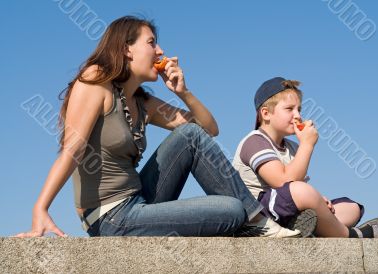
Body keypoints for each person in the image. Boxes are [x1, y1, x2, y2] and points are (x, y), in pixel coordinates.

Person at [16, 16, 302, 238]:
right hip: (111, 217)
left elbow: (208, 130)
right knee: (231, 209)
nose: (161, 50)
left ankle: (258, 221)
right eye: (151, 42)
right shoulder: (96, 81)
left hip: (140, 199)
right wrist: (40, 209)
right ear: (127, 49)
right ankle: (256, 221)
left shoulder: (143, 102)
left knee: (189, 135)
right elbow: (73, 149)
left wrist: (183, 92)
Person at [233, 76, 378, 238]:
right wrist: (307, 145)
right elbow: (283, 182)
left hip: (287, 207)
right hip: (259, 211)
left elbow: (297, 187)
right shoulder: (255, 141)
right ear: (266, 113)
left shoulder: (293, 147)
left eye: (299, 110)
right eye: (289, 109)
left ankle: (308, 225)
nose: (297, 115)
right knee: (302, 192)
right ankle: (348, 235)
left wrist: (319, 201)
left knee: (352, 207)